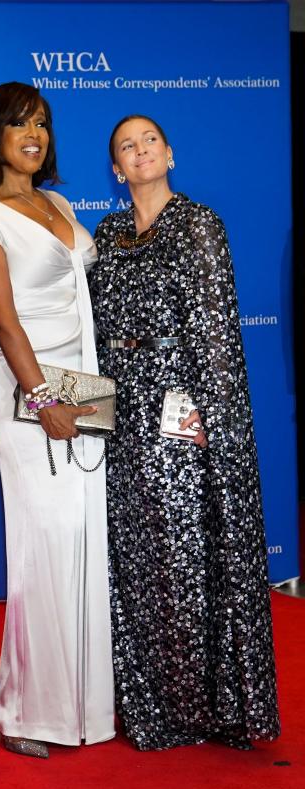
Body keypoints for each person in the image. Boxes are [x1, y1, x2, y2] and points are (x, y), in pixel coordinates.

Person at [89, 114, 280, 751]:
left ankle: (200, 706)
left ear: (170, 153)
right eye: (126, 146)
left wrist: (211, 420)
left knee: (185, 557)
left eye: (149, 141)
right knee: (134, 557)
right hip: (119, 411)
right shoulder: (108, 232)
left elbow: (218, 334)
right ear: (116, 168)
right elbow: (87, 330)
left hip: (181, 410)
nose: (139, 151)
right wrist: (78, 408)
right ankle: (148, 704)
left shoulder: (198, 224)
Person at [0, 82, 115, 758]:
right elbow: (3, 321)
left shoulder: (58, 201)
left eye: (43, 123)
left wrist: (83, 391)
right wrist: (43, 398)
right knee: (43, 535)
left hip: (85, 378)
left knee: (86, 532)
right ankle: (24, 709)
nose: (34, 133)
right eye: (20, 123)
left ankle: (88, 708)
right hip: (25, 380)